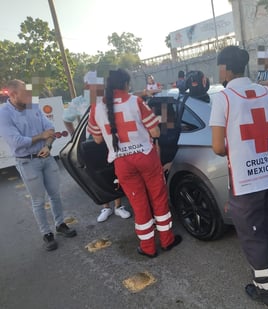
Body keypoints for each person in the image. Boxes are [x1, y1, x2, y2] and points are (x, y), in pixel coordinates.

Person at [209, 46, 268, 308]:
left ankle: (267, 291)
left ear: (224, 69)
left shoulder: (224, 98)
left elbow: (219, 147)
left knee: (253, 235)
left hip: (247, 182)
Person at [87, 68, 182, 258]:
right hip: (146, 158)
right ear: (126, 84)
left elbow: (97, 140)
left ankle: (147, 248)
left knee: (138, 204)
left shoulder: (96, 108)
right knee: (158, 198)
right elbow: (155, 132)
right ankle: (167, 240)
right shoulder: (135, 101)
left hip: (122, 163)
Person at [0, 79, 77, 251]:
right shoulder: (3, 113)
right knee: (38, 200)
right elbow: (16, 141)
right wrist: (41, 136)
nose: (30, 95)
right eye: (25, 93)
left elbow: (50, 129)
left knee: (55, 194)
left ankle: (60, 224)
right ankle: (46, 233)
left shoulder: (32, 105)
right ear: (12, 95)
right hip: (27, 161)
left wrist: (48, 145)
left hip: (46, 157)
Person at [63, 72, 130, 223]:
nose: (99, 85)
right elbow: (66, 119)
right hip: (92, 142)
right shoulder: (79, 102)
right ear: (87, 85)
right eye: (94, 83)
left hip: (110, 139)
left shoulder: (108, 97)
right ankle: (105, 207)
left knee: (114, 172)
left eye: (99, 82)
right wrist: (74, 136)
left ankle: (119, 206)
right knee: (98, 174)